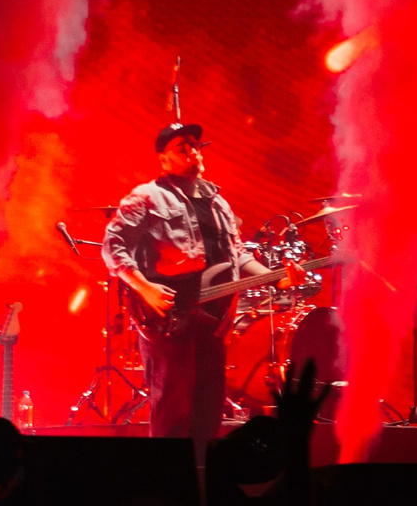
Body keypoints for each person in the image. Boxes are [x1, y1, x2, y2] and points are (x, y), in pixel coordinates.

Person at [102, 121, 287, 444]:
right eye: (182, 148)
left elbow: (238, 257)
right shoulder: (147, 196)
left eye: (195, 146)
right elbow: (113, 246)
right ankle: (168, 486)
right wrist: (145, 288)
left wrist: (277, 277)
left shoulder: (219, 204)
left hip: (214, 324)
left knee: (208, 416)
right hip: (169, 320)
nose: (192, 152)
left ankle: (202, 483)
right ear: (163, 160)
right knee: (173, 414)